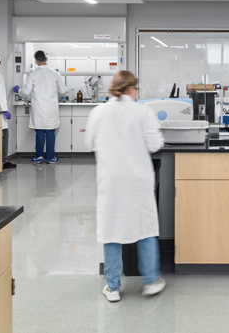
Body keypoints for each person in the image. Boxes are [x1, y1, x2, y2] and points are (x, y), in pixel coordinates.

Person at [84, 70, 165, 302]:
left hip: (112, 180)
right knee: (146, 229)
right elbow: (154, 144)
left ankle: (112, 288)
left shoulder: (98, 112)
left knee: (112, 232)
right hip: (138, 179)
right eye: (136, 88)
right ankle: (150, 282)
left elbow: (89, 142)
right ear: (130, 88)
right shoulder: (143, 111)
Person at [14, 50, 67, 164]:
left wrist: (18, 90)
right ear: (46, 59)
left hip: (38, 108)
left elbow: (26, 91)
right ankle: (50, 157)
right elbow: (63, 90)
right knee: (50, 132)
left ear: (36, 61)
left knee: (39, 133)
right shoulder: (55, 74)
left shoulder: (33, 74)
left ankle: (38, 156)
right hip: (51, 108)